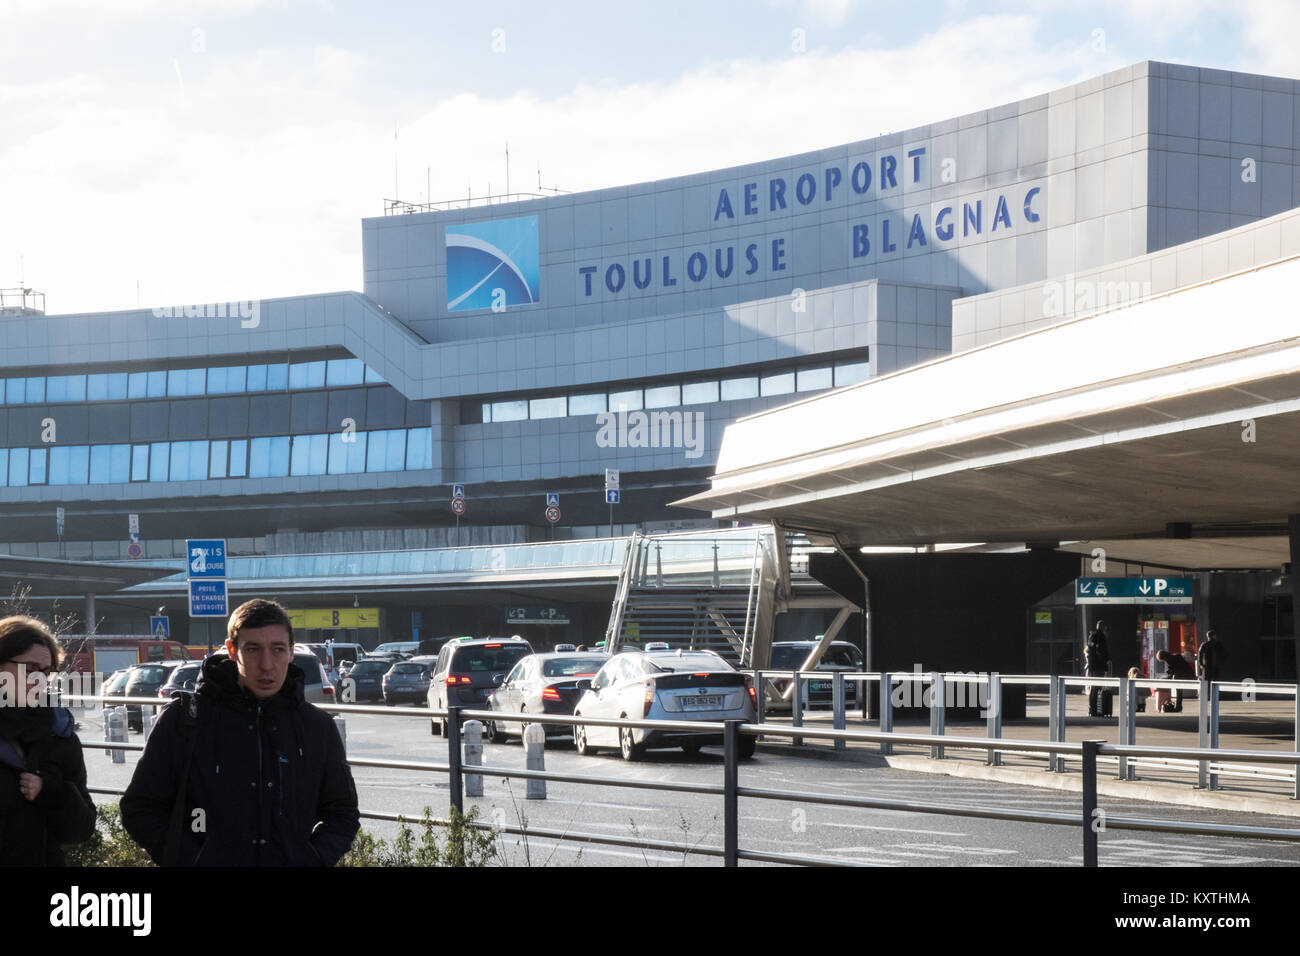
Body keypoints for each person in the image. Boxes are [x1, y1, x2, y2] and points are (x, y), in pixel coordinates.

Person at [121, 599, 359, 866]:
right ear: (232, 650)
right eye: (253, 649)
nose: (267, 664)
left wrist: (312, 859)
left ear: (292, 652)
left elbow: (343, 813)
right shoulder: (184, 720)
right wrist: (192, 859)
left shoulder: (317, 727)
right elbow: (140, 808)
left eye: (278, 649)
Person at [0, 615, 96, 865]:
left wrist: (55, 794)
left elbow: (82, 830)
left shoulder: (59, 734)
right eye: (30, 669)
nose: (38, 681)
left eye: (46, 672)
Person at [1084, 620, 1112, 717]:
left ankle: (1092, 709)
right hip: (1099, 665)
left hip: (1093, 665)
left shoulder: (1091, 636)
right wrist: (1107, 659)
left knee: (1094, 688)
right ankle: (1095, 710)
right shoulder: (1101, 637)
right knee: (1097, 687)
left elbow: (1091, 648)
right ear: (1103, 627)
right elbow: (1101, 650)